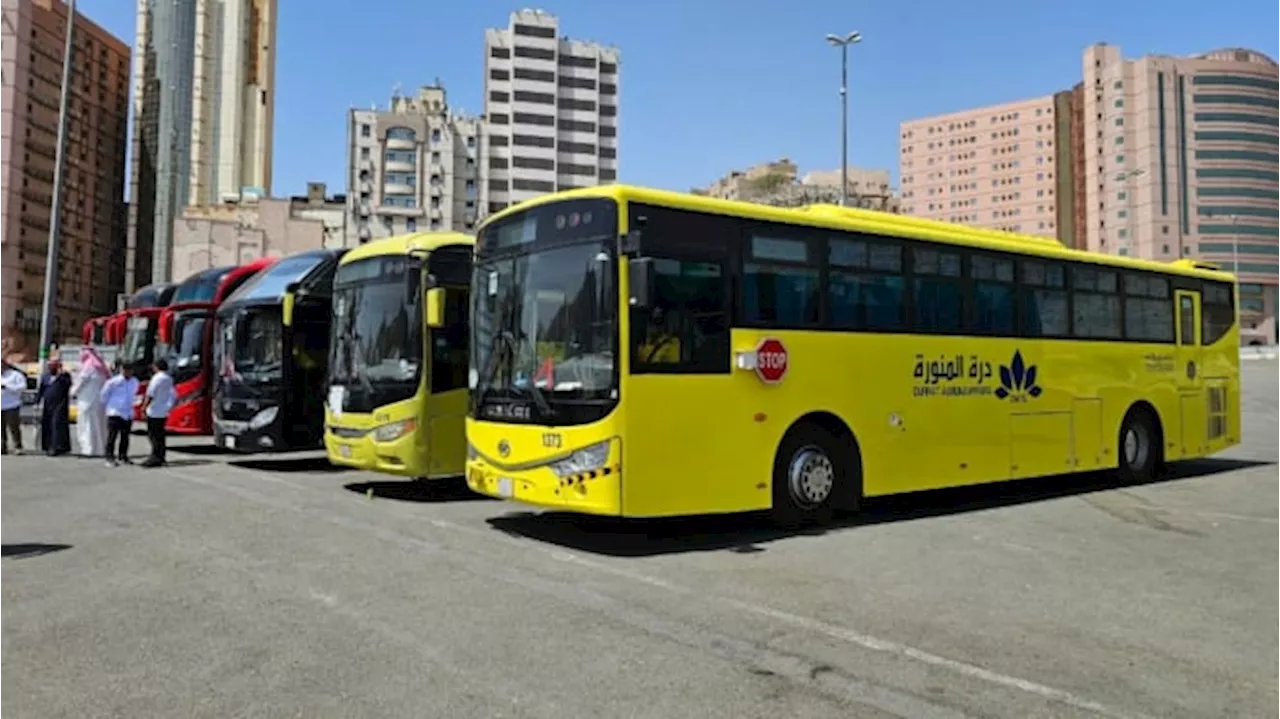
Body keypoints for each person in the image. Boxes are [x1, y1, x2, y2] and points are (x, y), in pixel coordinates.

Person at [70, 347, 109, 457]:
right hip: (100, 403)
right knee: (99, 426)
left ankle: (88, 450)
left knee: (87, 426)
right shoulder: (101, 369)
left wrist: (72, 392)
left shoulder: (88, 367)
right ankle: (100, 449)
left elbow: (80, 383)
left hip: (87, 402)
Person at [100, 362, 139, 467]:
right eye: (125, 370)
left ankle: (123, 456)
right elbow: (104, 395)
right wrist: (110, 406)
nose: (127, 372)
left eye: (129, 370)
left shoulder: (135, 381)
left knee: (125, 436)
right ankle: (109, 458)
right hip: (115, 412)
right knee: (112, 437)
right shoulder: (113, 382)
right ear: (122, 370)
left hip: (128, 412)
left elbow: (135, 394)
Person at [140, 358, 174, 467]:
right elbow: (173, 394)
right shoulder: (169, 379)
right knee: (161, 435)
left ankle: (155, 457)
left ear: (156, 367)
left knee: (153, 435)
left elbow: (150, 394)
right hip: (163, 410)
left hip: (154, 410)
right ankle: (161, 457)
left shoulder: (156, 378)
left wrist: (144, 407)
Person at [38, 359, 72, 456]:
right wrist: (37, 402)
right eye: (50, 365)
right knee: (47, 425)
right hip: (47, 404)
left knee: (57, 425)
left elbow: (68, 385)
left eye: (54, 365)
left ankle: (57, 447)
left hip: (60, 405)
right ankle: (47, 446)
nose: (51, 367)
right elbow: (41, 389)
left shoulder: (64, 376)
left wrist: (60, 374)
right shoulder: (46, 376)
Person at [0, 358, 26, 455]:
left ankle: (18, 446)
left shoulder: (15, 375)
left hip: (12, 405)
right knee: (0, 428)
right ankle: (2, 447)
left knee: (14, 427)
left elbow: (22, 387)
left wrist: (7, 387)